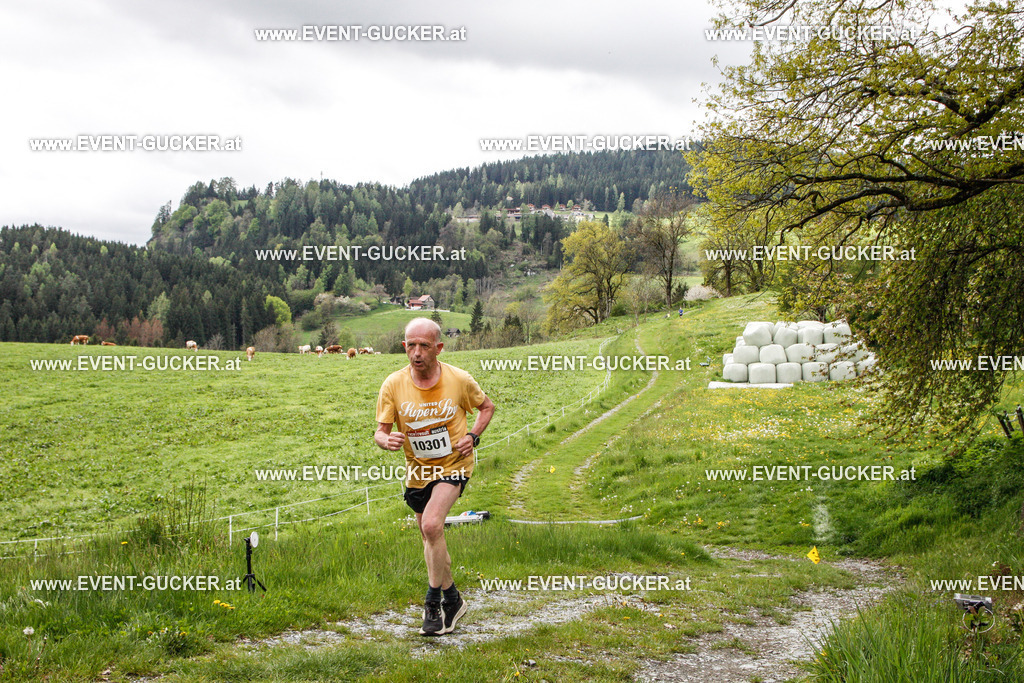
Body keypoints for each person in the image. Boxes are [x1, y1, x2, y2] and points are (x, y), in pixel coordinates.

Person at [374, 317, 495, 636]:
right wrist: (386, 441)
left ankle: (432, 603)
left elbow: (487, 407)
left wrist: (472, 436)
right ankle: (453, 599)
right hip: (417, 470)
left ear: (438, 348)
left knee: (431, 525)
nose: (416, 353)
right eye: (411, 345)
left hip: (454, 464)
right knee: (430, 536)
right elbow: (380, 432)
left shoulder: (459, 379)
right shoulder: (393, 384)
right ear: (404, 346)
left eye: (424, 346)